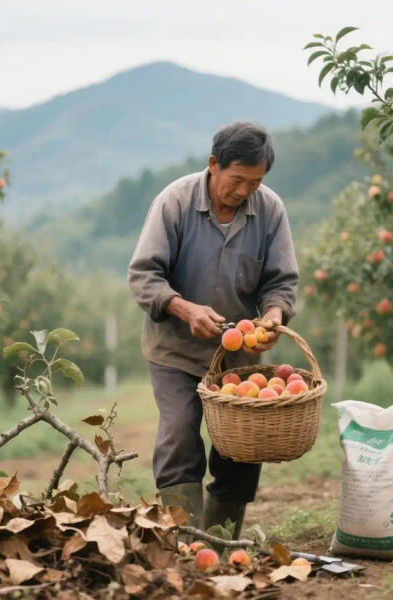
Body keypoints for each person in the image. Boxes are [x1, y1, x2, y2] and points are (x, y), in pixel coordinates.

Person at [127, 121, 299, 540]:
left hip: (239, 360)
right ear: (213, 164)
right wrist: (185, 309)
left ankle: (219, 547)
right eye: (237, 179)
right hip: (176, 353)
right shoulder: (174, 203)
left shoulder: (270, 210)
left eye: (255, 183)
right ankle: (187, 546)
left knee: (241, 451)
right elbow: (144, 276)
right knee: (179, 438)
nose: (243, 191)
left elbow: (280, 283)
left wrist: (274, 315)